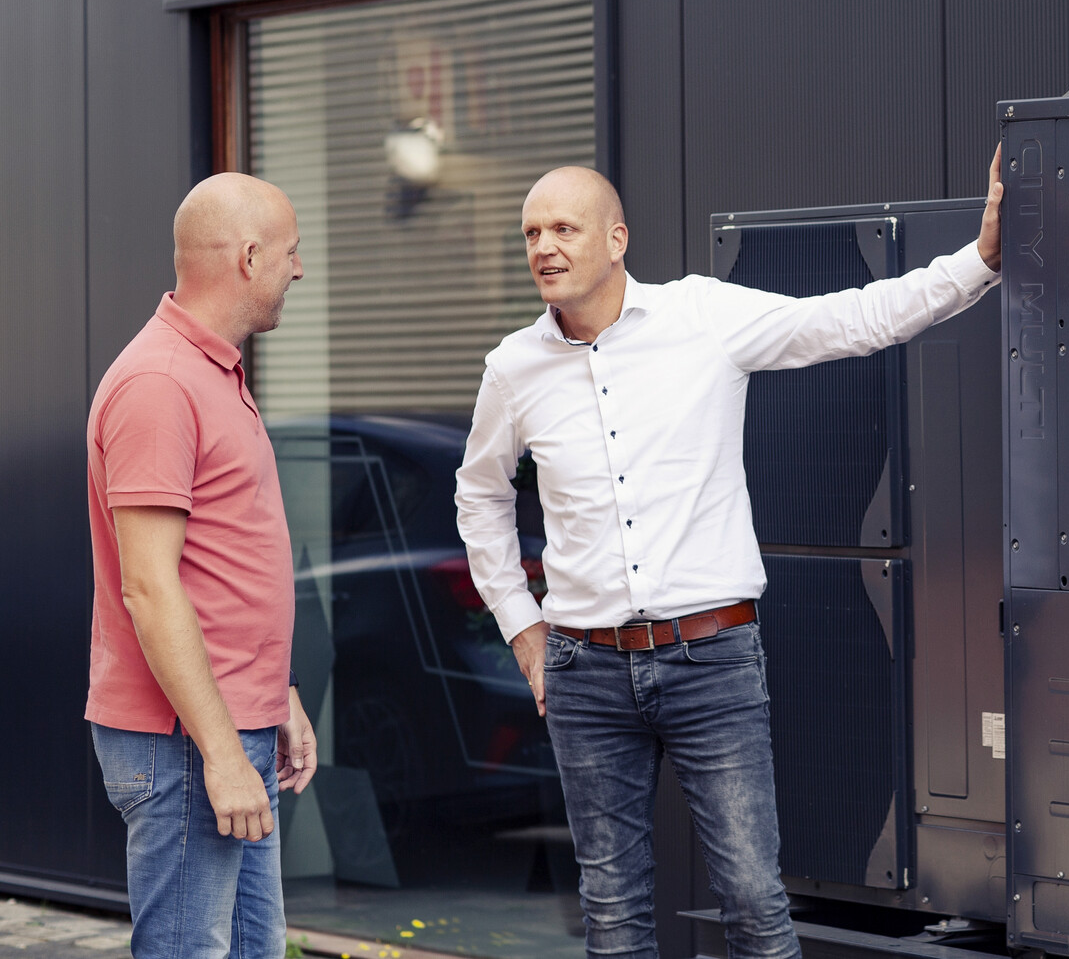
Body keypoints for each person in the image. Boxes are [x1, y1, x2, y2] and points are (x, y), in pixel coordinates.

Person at [454, 152, 1004, 959]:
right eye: (531, 232)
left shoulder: (701, 316)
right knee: (612, 913)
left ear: (617, 239)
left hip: (709, 659)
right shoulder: (513, 368)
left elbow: (852, 319)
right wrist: (521, 625)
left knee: (752, 900)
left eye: (564, 228)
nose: (544, 246)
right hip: (584, 671)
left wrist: (981, 259)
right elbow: (479, 496)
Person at [85, 172, 319, 959]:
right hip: (185, 739)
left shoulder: (210, 370)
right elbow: (150, 587)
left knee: (253, 949)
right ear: (249, 257)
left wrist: (277, 691)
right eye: (290, 252)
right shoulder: (160, 382)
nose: (298, 268)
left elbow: (224, 564)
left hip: (226, 722)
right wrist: (220, 752)